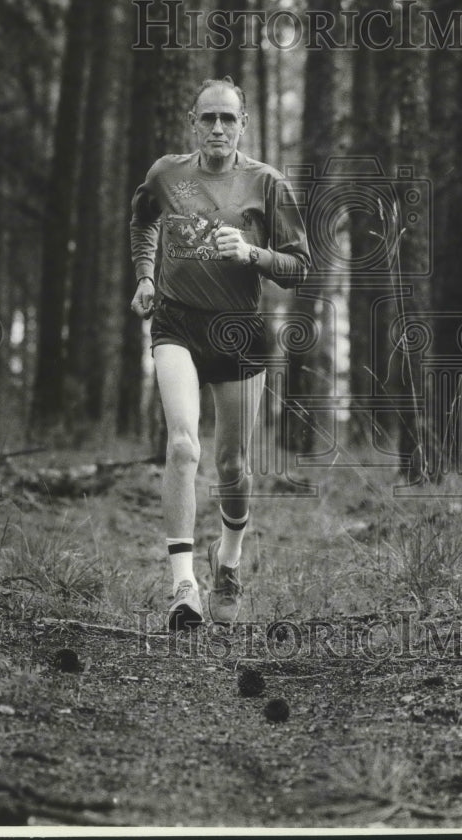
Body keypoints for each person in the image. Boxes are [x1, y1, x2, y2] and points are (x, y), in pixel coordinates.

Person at [130, 76, 310, 631]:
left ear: (243, 125)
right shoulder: (166, 173)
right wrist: (144, 276)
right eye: (208, 117)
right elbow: (143, 220)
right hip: (177, 322)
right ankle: (183, 585)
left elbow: (300, 267)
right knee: (183, 445)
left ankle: (227, 559)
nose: (217, 128)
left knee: (233, 464)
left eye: (228, 119)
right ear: (192, 122)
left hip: (239, 330)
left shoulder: (267, 184)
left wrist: (253, 252)